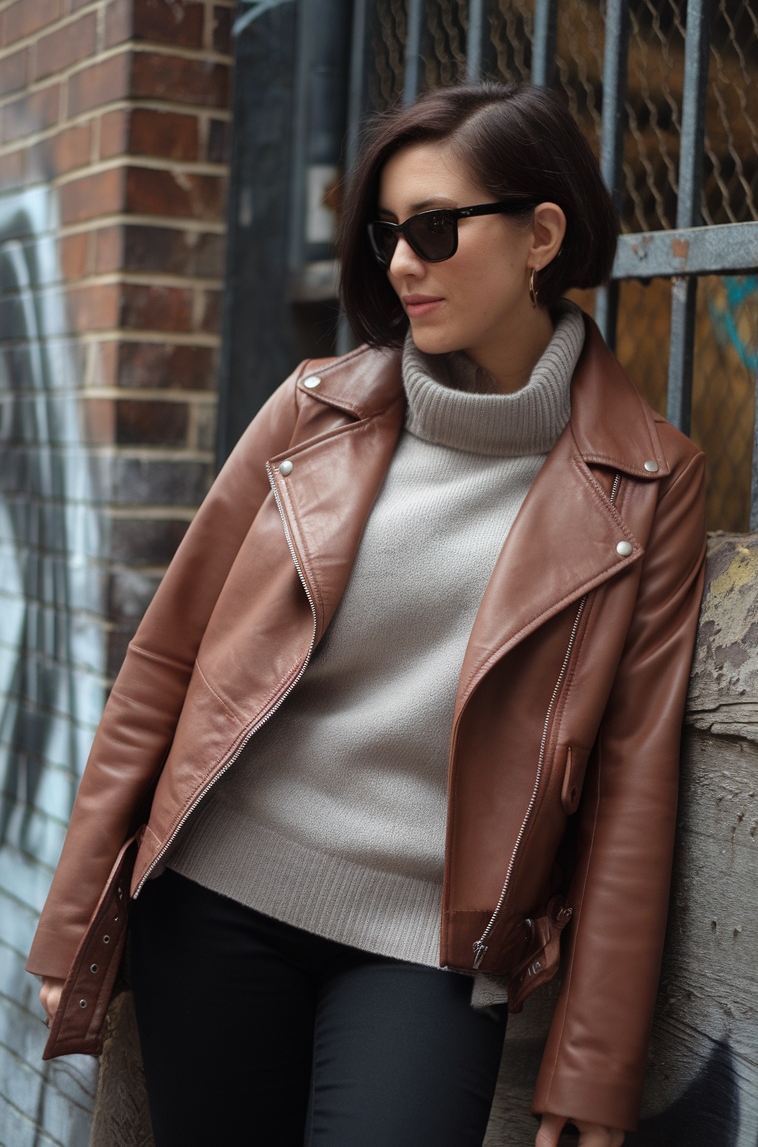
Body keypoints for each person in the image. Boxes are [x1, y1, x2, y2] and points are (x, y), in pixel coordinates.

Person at [30, 81, 706, 1147]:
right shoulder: (315, 409)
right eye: (389, 233)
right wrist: (77, 920)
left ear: (541, 234)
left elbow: (633, 780)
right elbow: (164, 660)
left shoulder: (648, 479)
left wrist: (592, 1064)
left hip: (430, 947)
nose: (401, 265)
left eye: (435, 230)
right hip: (216, 902)